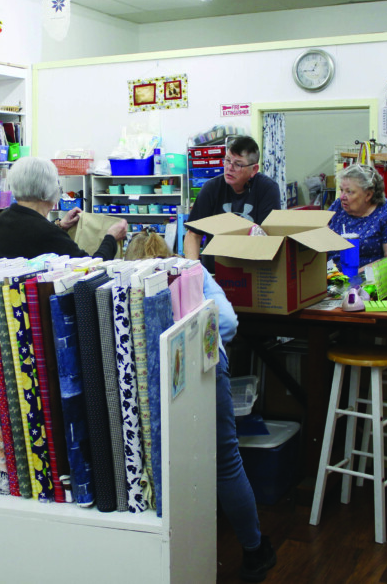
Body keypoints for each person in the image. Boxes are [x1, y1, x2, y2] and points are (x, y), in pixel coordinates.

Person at [124, 229, 277, 582]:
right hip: (203, 370)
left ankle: (163, 558)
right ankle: (253, 552)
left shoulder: (127, 281)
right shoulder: (191, 270)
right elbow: (227, 322)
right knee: (225, 460)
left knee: (159, 463)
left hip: (148, 378)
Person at [0, 156, 127, 259]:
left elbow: (30, 239)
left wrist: (60, 226)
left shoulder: (3, 218)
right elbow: (91, 269)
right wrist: (111, 238)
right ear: (48, 190)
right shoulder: (46, 233)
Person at [184, 136, 282, 272]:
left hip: (252, 271)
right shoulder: (211, 188)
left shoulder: (267, 189)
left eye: (238, 164)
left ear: (254, 170)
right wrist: (193, 272)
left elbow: (268, 237)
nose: (229, 168)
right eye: (227, 160)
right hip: (216, 271)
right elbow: (193, 235)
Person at [327, 163, 387, 269]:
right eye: (341, 190)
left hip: (369, 281)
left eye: (349, 192)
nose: (342, 197)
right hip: (331, 276)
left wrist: (356, 275)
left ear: (368, 195)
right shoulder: (338, 206)